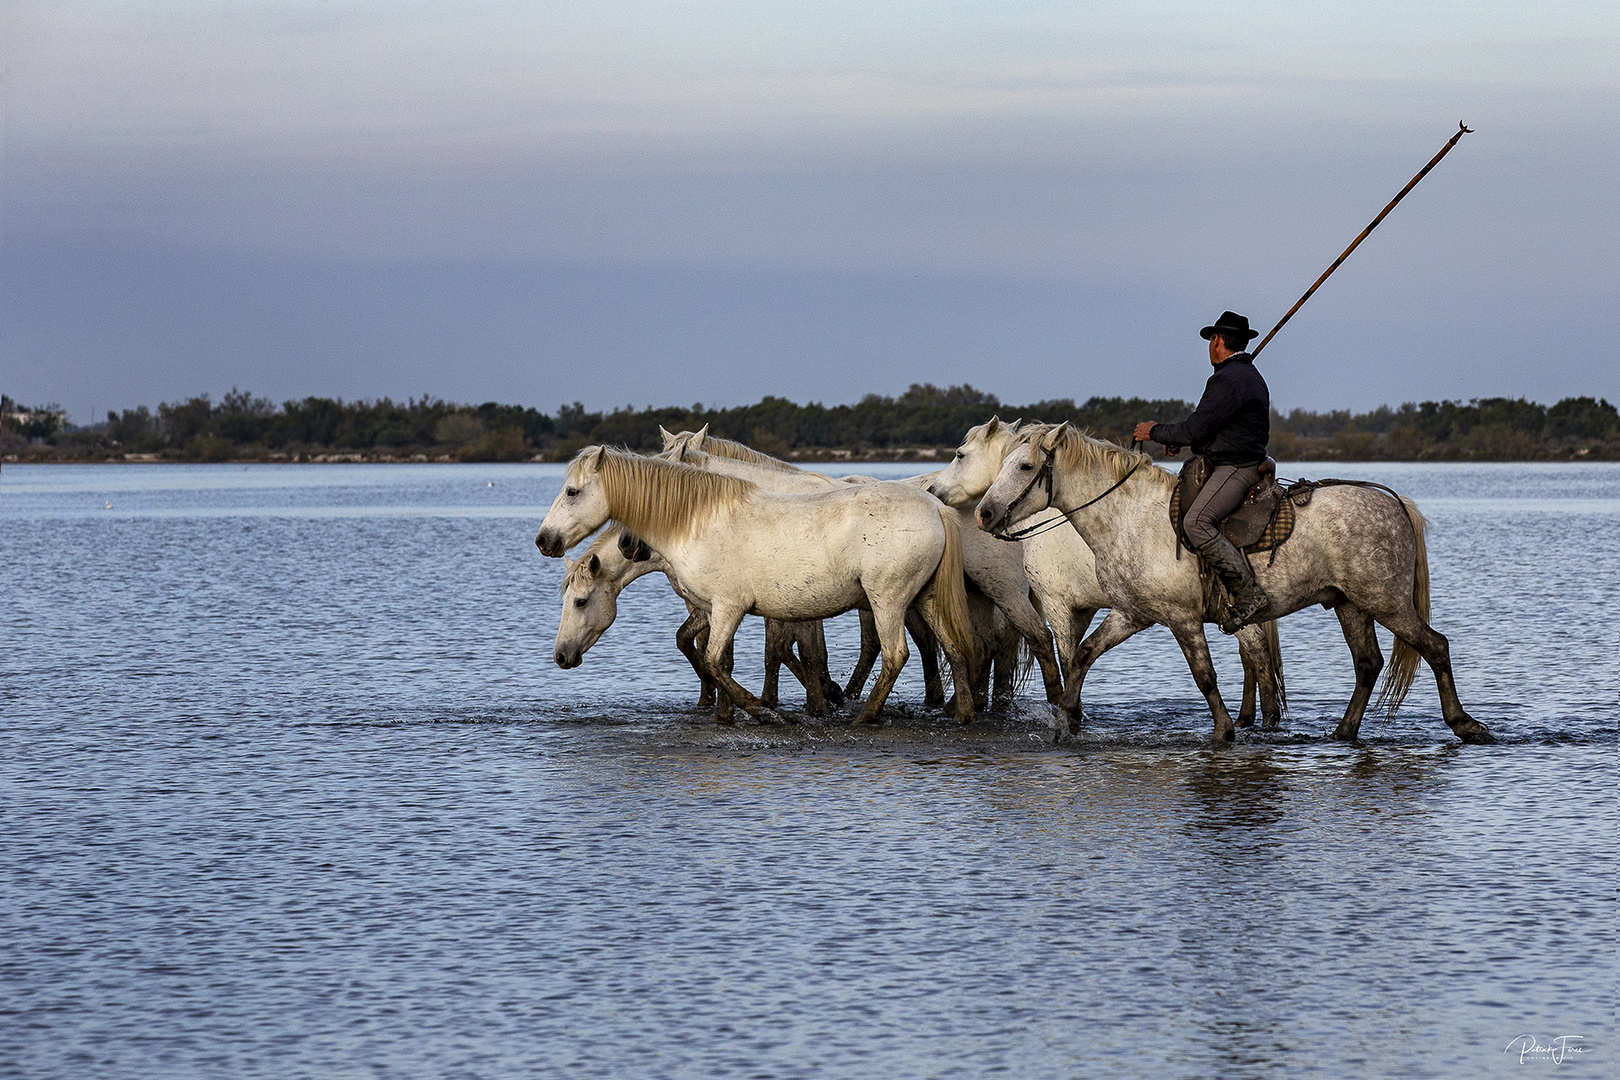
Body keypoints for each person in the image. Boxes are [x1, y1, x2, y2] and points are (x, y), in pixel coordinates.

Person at [1132, 311, 1271, 633]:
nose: (1210, 345)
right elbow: (1210, 428)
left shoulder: (1230, 378)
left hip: (1237, 467)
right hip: (1229, 458)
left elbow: (1195, 428)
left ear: (1217, 341)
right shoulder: (1239, 375)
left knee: (1196, 523)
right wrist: (1183, 441)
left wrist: (1154, 432)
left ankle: (1248, 595)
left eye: (1211, 340)